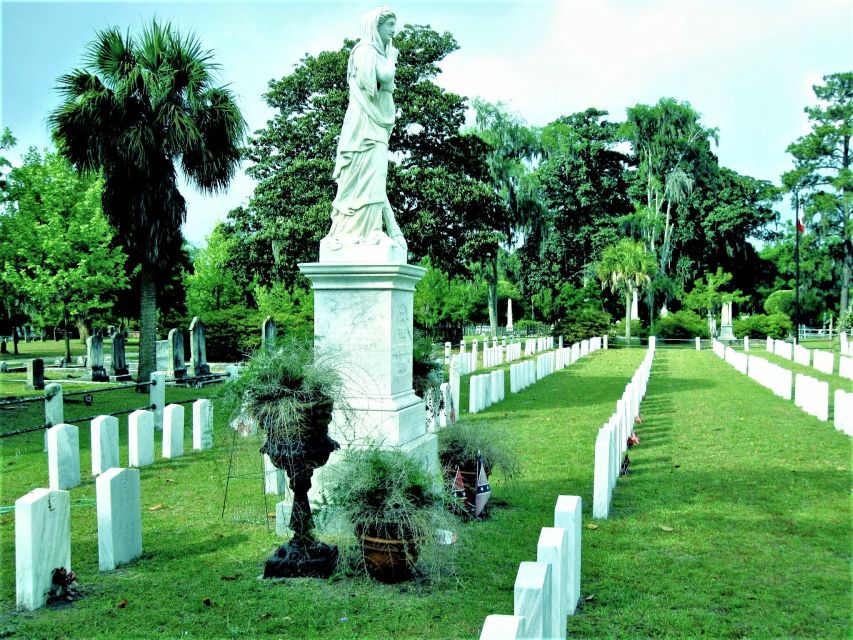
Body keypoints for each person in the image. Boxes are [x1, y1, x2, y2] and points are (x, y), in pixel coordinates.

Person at [323, 7, 407, 254]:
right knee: (370, 174)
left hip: (376, 124)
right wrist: (391, 56)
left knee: (376, 174)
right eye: (390, 24)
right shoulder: (365, 51)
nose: (394, 30)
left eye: (394, 24)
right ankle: (365, 231)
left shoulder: (376, 52)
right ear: (376, 26)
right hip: (364, 127)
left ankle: (372, 229)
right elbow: (384, 74)